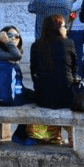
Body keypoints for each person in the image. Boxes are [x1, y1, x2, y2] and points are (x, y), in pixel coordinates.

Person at [29, 15, 76, 144]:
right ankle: (72, 134)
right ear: (56, 28)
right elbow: (74, 69)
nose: (66, 29)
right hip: (66, 96)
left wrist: (39, 87)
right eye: (64, 26)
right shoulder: (68, 43)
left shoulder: (35, 46)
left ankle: (55, 135)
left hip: (43, 97)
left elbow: (33, 71)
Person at [68, 0, 84, 69]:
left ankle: (79, 73)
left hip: (78, 30)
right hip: (74, 29)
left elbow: (71, 9)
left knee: (78, 53)